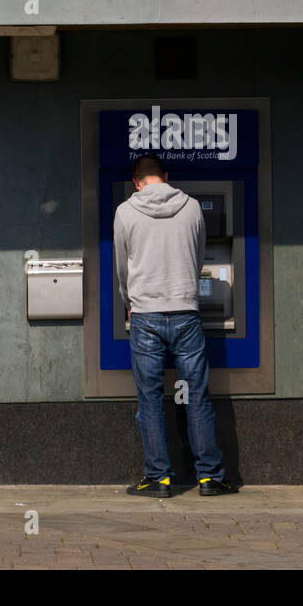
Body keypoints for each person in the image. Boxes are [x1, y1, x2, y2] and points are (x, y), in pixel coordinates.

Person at [113, 153, 237, 498]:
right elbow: (198, 256)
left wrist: (130, 302)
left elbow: (122, 267)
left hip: (145, 315)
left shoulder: (125, 212)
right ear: (165, 176)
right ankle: (210, 477)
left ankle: (159, 478)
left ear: (136, 182)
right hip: (186, 312)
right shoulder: (193, 207)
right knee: (197, 395)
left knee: (150, 398)